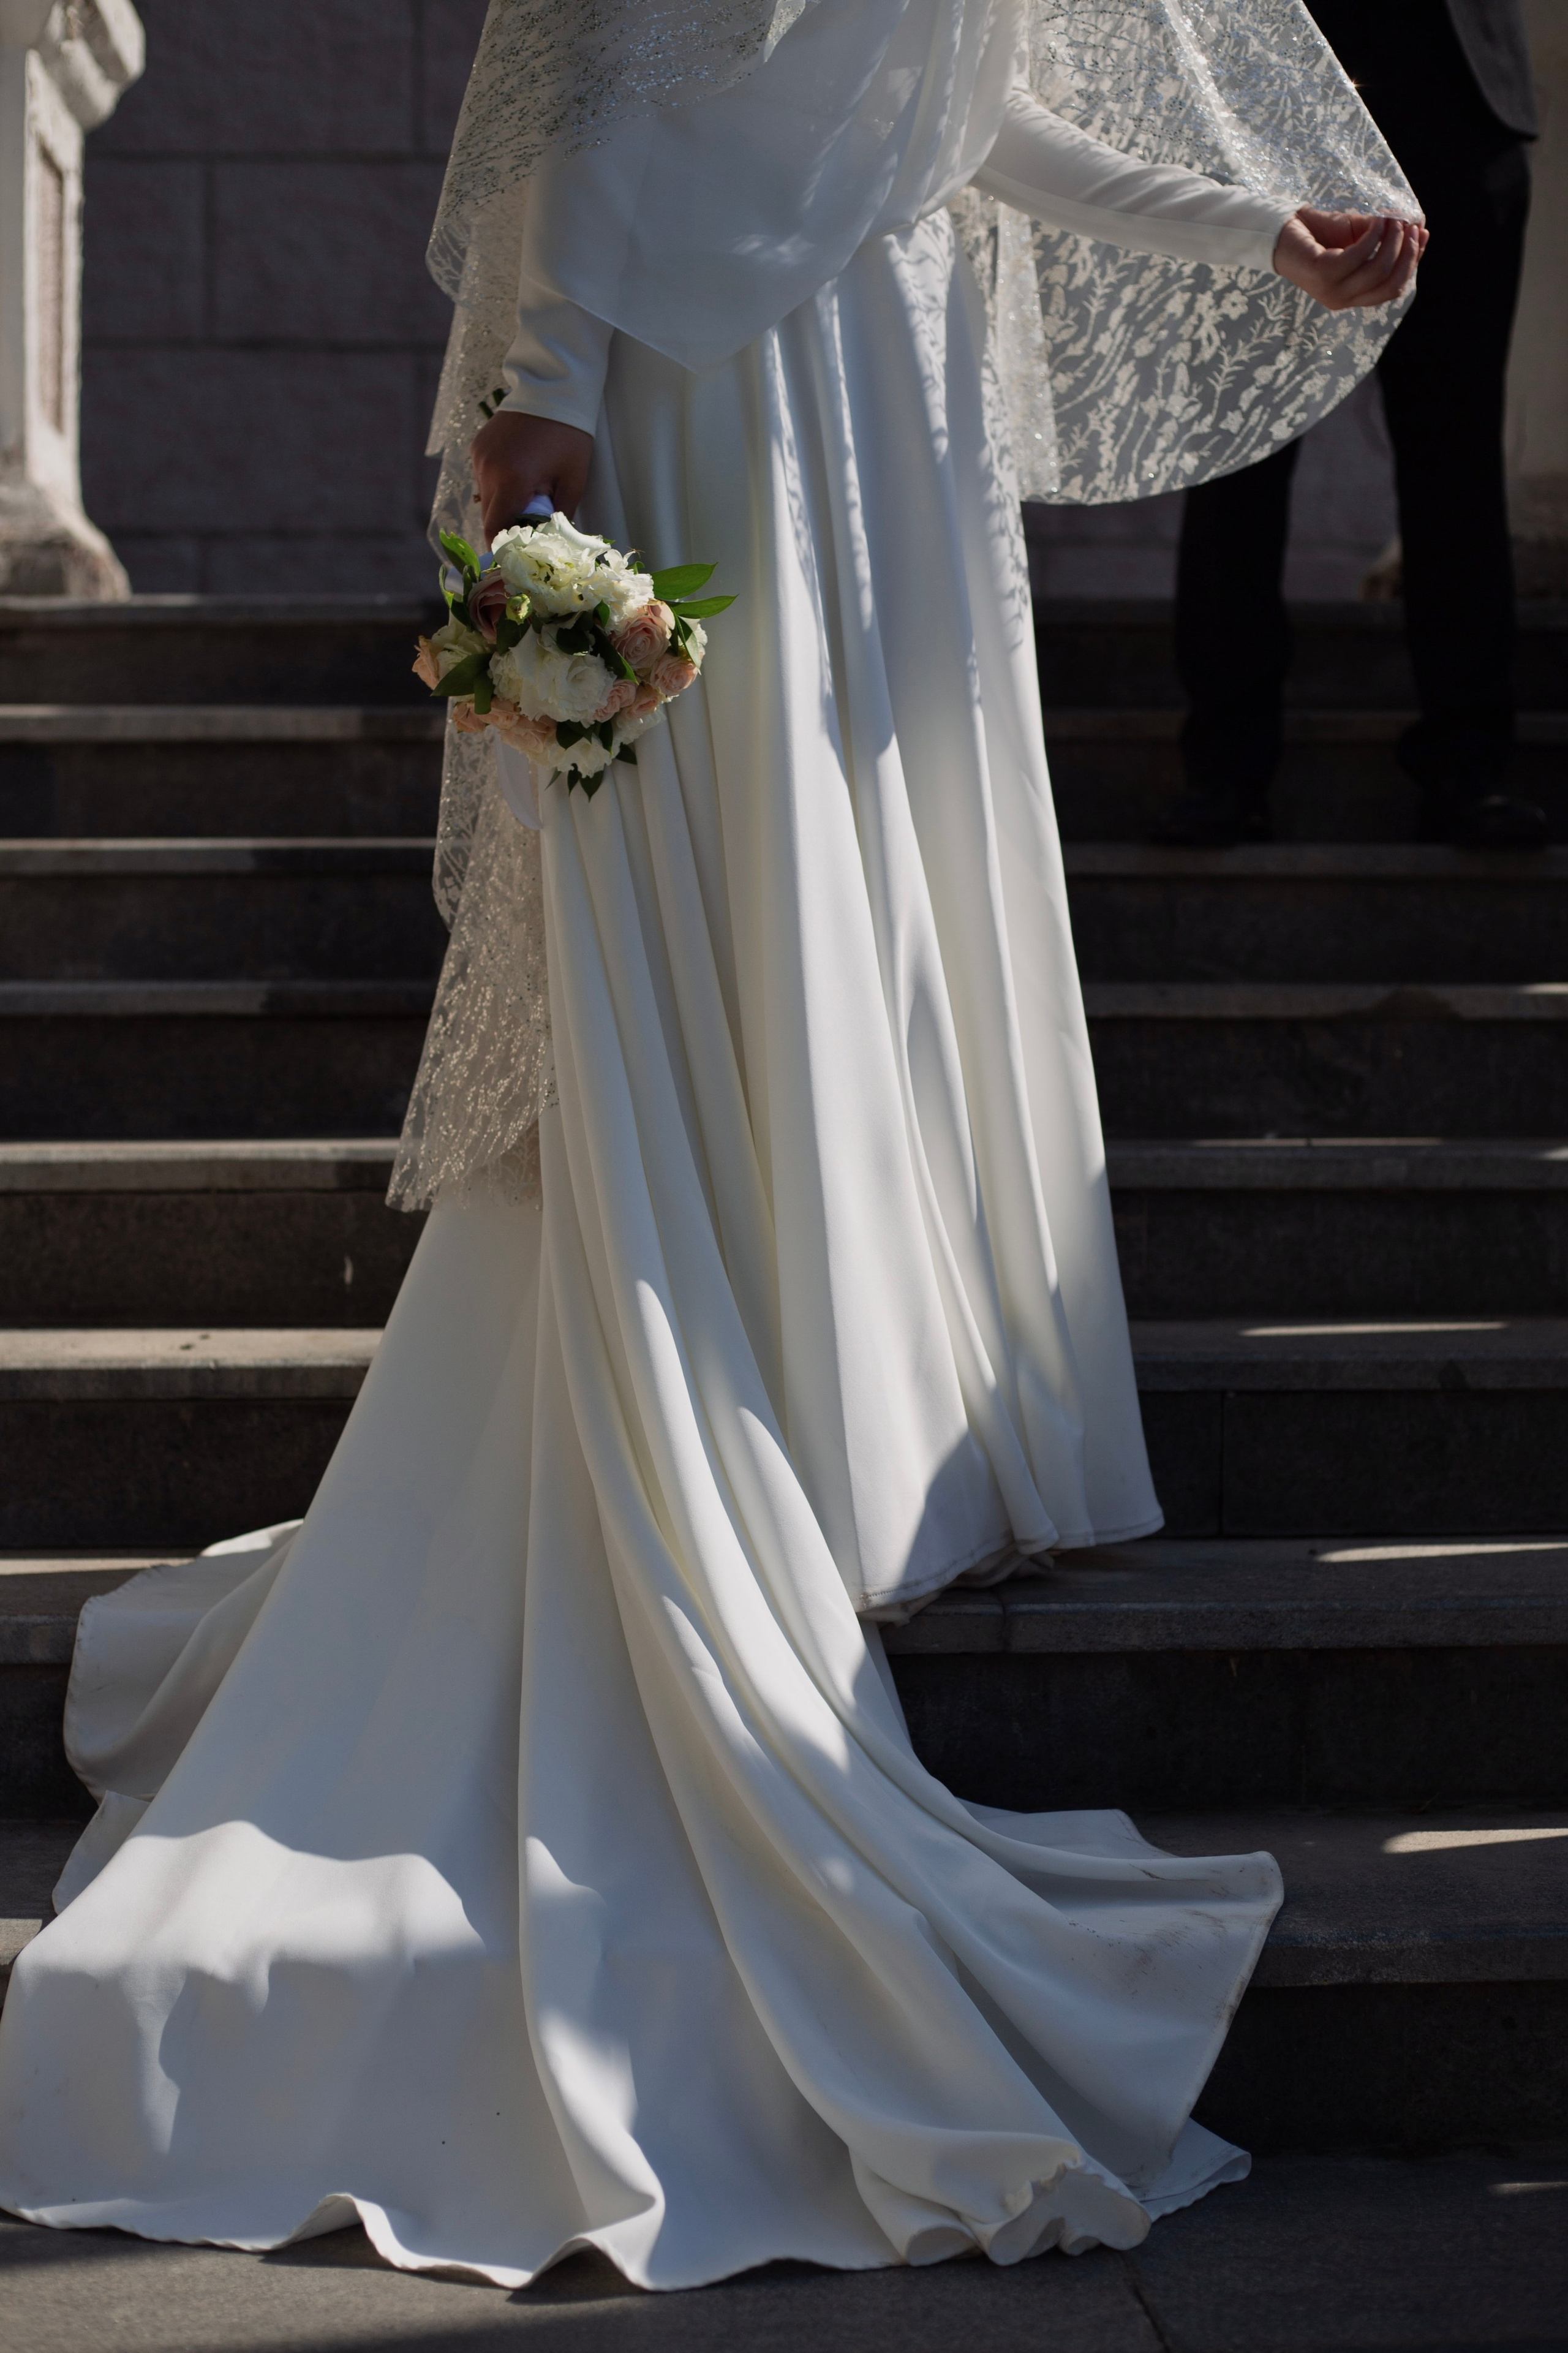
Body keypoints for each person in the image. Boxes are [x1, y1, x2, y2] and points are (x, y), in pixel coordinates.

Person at [0, 0, 1418, 2293]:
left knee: (849, 911)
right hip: (703, 390)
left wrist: (1260, 224)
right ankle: (735, 1396)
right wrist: (537, 391)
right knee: (719, 904)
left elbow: (969, 108)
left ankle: (837, 1411)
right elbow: (590, 63)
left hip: (876, 399)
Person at [1161, 0, 1539, 849]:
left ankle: (1468, 765)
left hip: (1457, 92)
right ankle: (1224, 767)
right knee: (1235, 444)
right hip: (1255, 95)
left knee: (1457, 454)